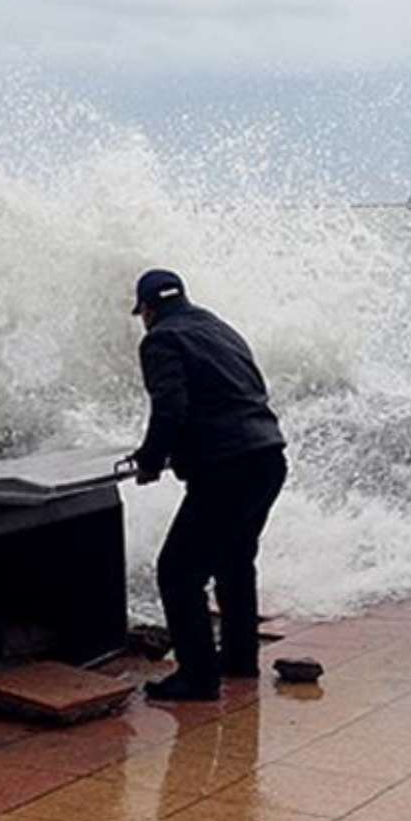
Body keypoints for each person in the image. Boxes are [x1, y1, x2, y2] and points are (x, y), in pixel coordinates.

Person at [126, 268, 287, 702]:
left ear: (149, 309)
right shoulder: (219, 328)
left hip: (227, 469)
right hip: (268, 458)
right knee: (235, 561)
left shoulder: (160, 339)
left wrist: (150, 460)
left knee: (177, 572)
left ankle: (197, 678)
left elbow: (171, 407)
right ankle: (238, 659)